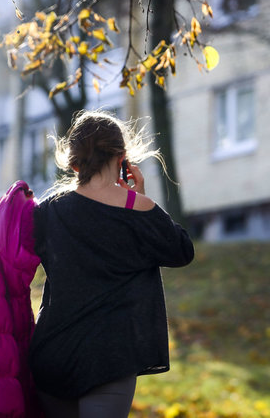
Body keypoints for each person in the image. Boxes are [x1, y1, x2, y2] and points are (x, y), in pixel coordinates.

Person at [29, 109, 195, 418]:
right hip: (111, 356)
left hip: (52, 354)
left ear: (74, 161)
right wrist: (139, 199)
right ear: (123, 158)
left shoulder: (47, 213)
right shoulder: (138, 208)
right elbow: (181, 252)